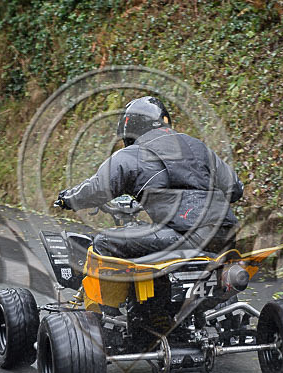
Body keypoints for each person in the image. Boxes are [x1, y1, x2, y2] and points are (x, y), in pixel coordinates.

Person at [55, 96, 243, 258]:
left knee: (104, 241)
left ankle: (111, 302)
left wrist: (68, 199)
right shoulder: (198, 146)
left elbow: (98, 188)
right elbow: (235, 188)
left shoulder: (132, 154)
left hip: (185, 237)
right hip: (225, 236)